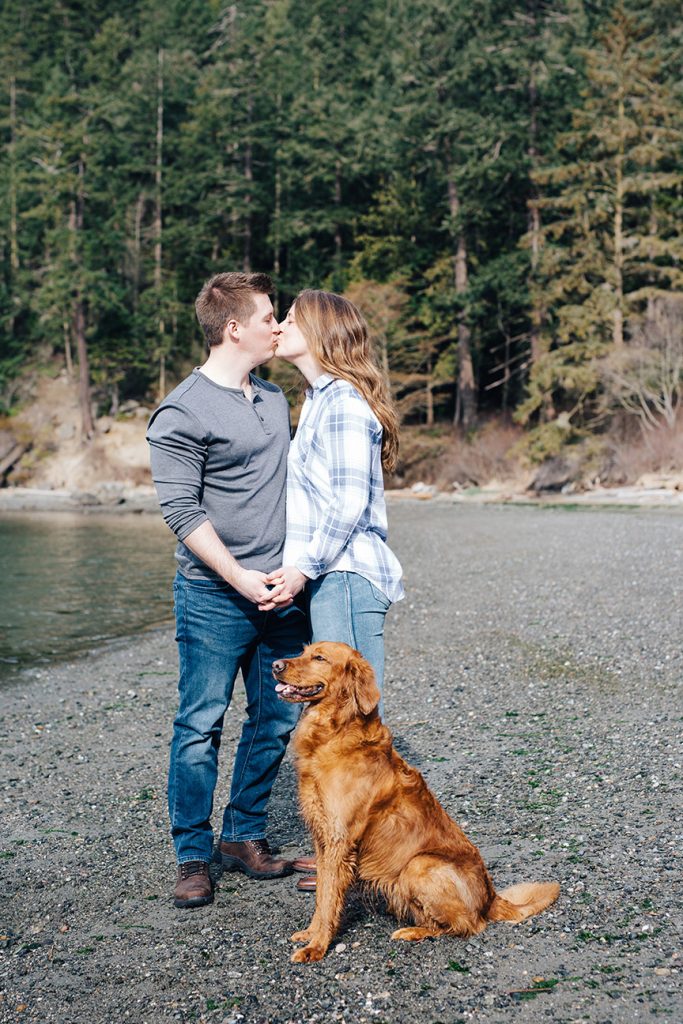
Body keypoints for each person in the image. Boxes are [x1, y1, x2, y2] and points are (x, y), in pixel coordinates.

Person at [147, 271, 308, 910]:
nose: (279, 325)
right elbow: (182, 513)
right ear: (234, 327)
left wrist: (291, 571)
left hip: (282, 593)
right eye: (270, 315)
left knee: (276, 717)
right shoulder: (181, 410)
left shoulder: (273, 400)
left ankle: (242, 837)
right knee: (199, 725)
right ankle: (193, 854)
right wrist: (240, 576)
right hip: (215, 596)